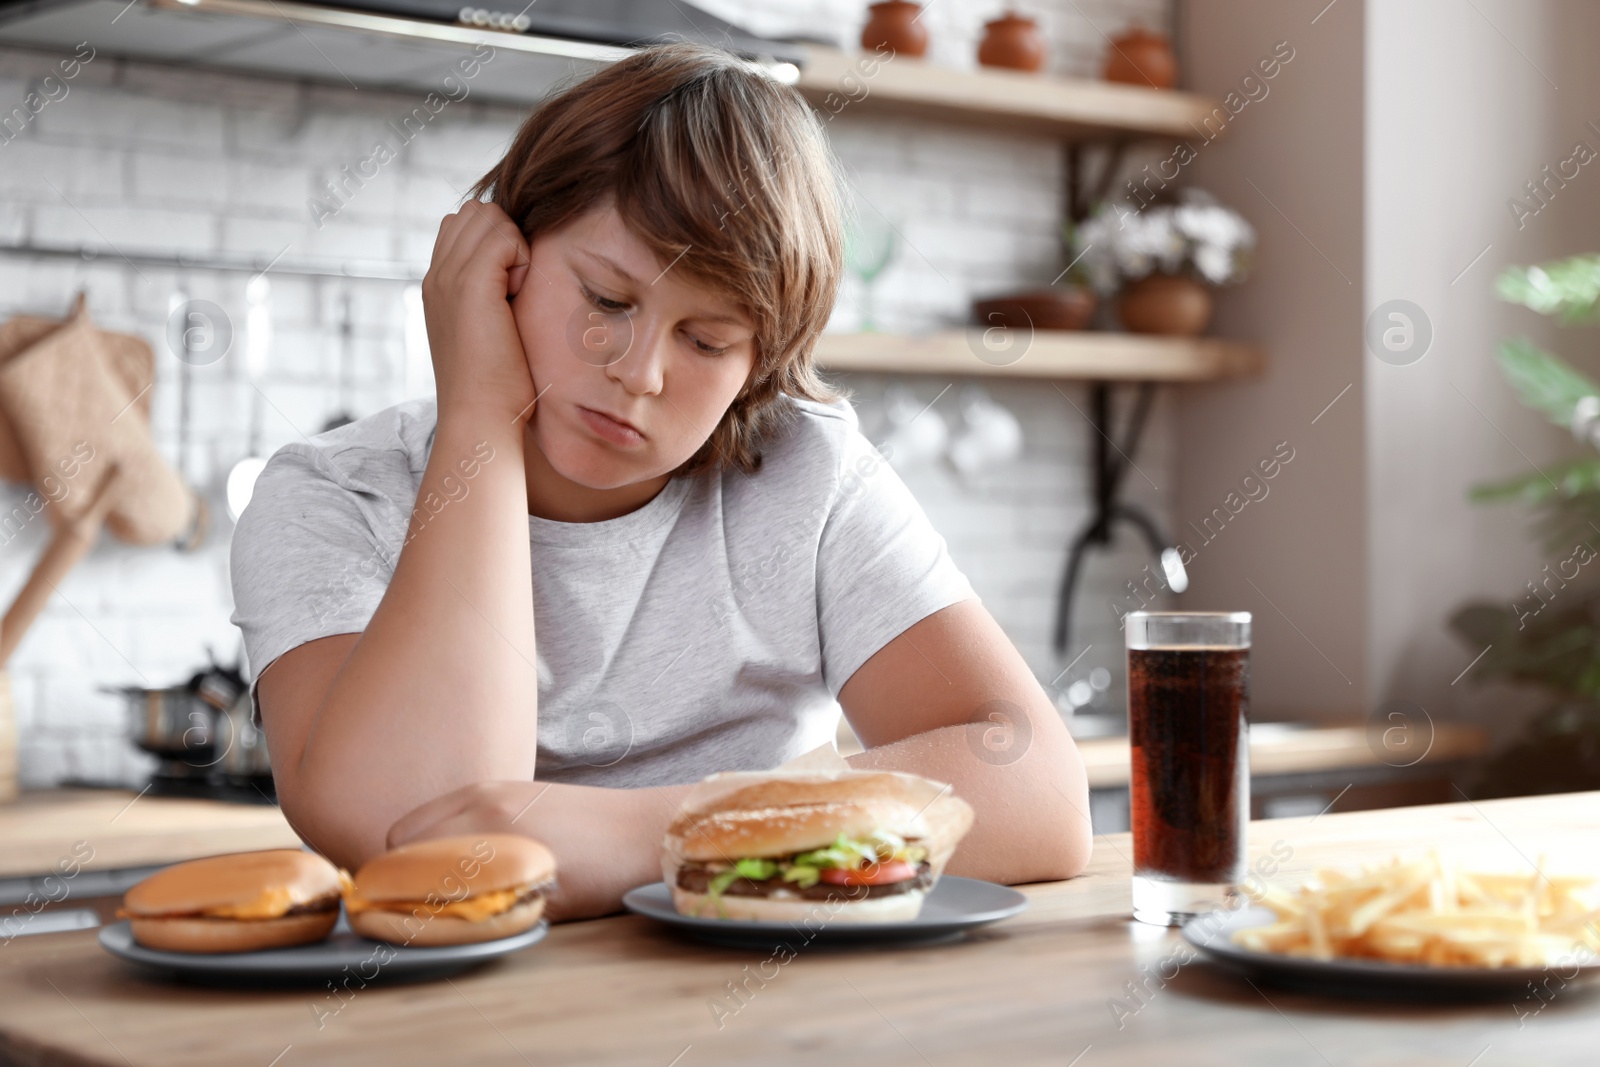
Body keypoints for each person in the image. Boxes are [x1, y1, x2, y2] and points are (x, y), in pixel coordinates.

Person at [230, 43, 1091, 921]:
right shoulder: (330, 499)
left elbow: (1041, 793)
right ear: (503, 258)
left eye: (707, 341)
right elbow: (439, 853)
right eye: (606, 300)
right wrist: (479, 416)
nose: (639, 373)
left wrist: (653, 834)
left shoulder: (808, 473)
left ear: (759, 365)